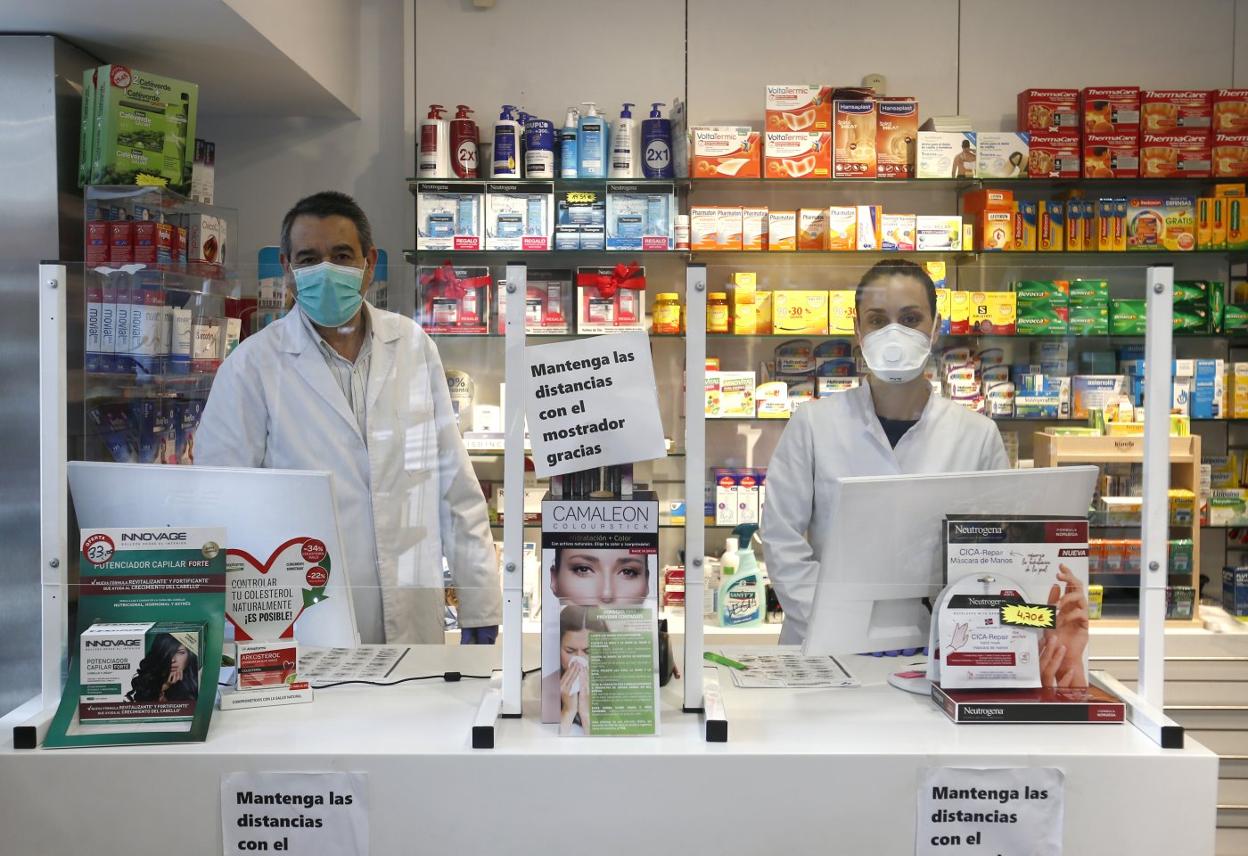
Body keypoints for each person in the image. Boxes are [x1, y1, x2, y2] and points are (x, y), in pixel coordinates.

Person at [196, 191, 501, 645]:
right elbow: (221, 501)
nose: (326, 271)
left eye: (341, 256)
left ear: (369, 262)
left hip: (411, 606)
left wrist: (479, 599)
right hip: (305, 615)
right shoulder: (254, 365)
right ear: (288, 267)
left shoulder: (413, 346)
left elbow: (453, 485)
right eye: (309, 258)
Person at [761, 259, 1010, 644]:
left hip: (935, 643)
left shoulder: (977, 435)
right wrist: (831, 620)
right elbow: (781, 539)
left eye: (910, 319)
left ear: (936, 328)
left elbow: (993, 552)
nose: (894, 334)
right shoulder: (813, 424)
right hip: (825, 641)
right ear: (858, 330)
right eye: (878, 320)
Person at [126, 633, 199, 703]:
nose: (173, 660)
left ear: (190, 655)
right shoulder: (147, 681)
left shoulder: (198, 684)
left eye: (180, 653)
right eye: (168, 652)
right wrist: (164, 687)